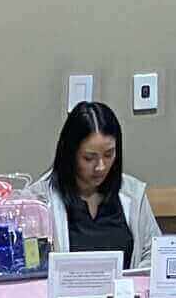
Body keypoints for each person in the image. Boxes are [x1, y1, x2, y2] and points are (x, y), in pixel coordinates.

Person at [27, 101, 160, 268]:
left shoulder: (133, 194)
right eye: (89, 158)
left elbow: (154, 253)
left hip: (123, 285)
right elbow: (30, 267)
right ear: (70, 153)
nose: (100, 167)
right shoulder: (40, 201)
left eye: (109, 154)